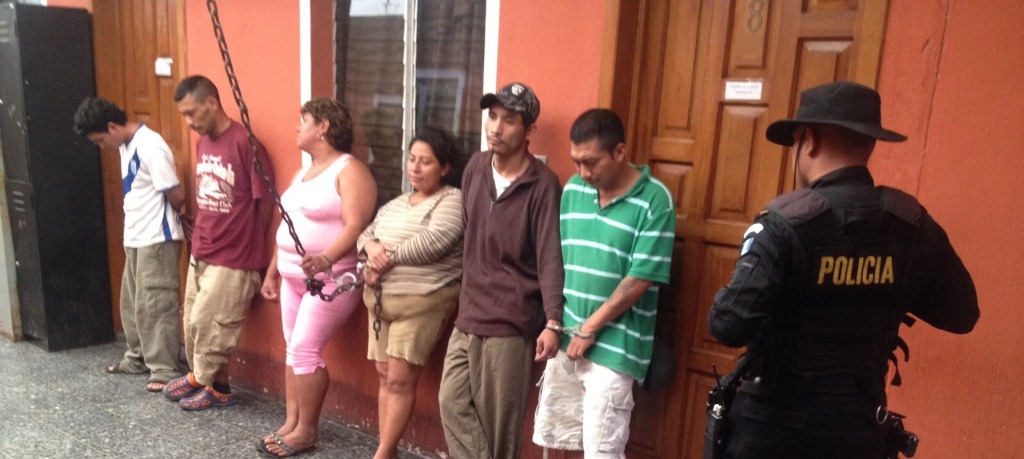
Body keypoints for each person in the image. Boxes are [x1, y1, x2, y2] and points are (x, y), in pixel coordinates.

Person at [706, 81, 980, 458]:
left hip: (772, 433)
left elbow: (728, 325)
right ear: (868, 144)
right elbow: (962, 314)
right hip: (858, 432)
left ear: (809, 139)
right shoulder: (911, 224)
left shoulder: (783, 222)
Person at [532, 108, 676, 458]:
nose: (583, 172)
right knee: (557, 438)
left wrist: (590, 327)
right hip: (567, 334)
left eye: (591, 162)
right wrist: (553, 322)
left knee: (602, 451)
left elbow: (640, 277)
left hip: (617, 345)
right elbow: (559, 263)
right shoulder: (573, 192)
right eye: (576, 162)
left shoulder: (655, 200)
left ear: (620, 152)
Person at [437, 82, 564, 459]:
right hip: (470, 312)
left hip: (511, 321)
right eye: (492, 117)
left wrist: (553, 320)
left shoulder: (542, 184)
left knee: (500, 431)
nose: (496, 127)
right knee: (451, 403)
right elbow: (467, 235)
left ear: (529, 131)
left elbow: (549, 256)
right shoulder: (475, 167)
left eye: (509, 120)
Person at [256, 98, 377, 457]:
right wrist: (272, 270)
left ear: (323, 127)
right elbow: (288, 224)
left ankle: (307, 431)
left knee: (306, 349)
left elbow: (356, 224)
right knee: (293, 348)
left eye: (304, 120)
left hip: (331, 279)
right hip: (292, 276)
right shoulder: (303, 172)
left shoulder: (349, 170)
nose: (298, 126)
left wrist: (326, 257)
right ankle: (291, 423)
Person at [161, 75, 275, 411]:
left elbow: (265, 201)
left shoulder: (246, 143)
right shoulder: (202, 143)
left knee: (211, 323)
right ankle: (219, 388)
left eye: (192, 113)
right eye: (184, 115)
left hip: (235, 255)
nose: (189, 122)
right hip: (203, 248)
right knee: (196, 322)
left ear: (212, 101)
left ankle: (198, 377)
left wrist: (251, 244)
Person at [357, 127, 464, 459]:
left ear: (444, 167)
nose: (415, 168)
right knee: (385, 375)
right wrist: (372, 248)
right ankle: (386, 451)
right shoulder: (395, 204)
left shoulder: (452, 200)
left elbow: (433, 243)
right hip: (379, 305)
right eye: (412, 159)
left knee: (401, 379)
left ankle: (384, 452)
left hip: (421, 304)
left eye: (426, 162)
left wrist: (383, 259)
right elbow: (364, 236)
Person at [73, 97, 186, 393]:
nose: (101, 146)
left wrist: (180, 219)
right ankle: (137, 358)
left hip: (157, 239)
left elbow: (176, 194)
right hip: (135, 237)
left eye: (100, 139)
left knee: (156, 304)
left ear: (112, 127)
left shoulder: (151, 145)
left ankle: (163, 368)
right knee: (133, 303)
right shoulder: (126, 144)